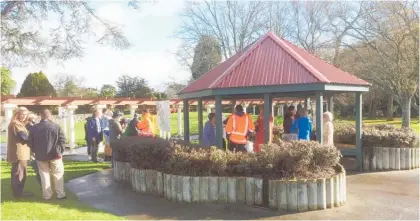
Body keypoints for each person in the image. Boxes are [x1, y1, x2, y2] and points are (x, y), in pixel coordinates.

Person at [28, 109, 66, 200]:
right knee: (57, 174)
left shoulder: (34, 128)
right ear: (50, 115)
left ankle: (47, 195)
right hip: (55, 154)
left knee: (44, 175)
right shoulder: (56, 126)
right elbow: (62, 140)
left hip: (40, 155)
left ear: (41, 115)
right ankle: (60, 194)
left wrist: (35, 151)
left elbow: (30, 142)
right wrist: (60, 151)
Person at [7, 108, 32, 198]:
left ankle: (19, 193)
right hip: (19, 153)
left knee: (19, 173)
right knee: (19, 173)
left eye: (25, 114)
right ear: (17, 114)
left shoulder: (20, 124)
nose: (24, 116)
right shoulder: (15, 124)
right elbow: (24, 137)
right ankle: (18, 194)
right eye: (22, 114)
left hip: (21, 153)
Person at [26, 112, 42, 186]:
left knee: (38, 168)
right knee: (38, 168)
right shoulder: (30, 125)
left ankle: (42, 183)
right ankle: (42, 184)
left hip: (33, 149)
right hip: (33, 150)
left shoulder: (31, 125)